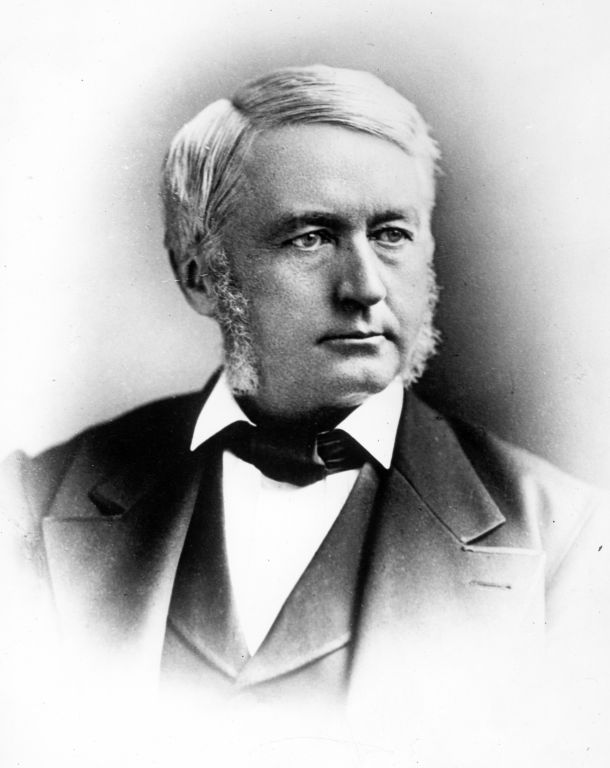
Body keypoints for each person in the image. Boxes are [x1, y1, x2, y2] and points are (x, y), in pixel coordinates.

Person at [2, 65, 609, 765]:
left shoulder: (566, 540)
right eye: (311, 238)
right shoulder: (33, 502)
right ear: (200, 276)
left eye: (391, 234)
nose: (365, 288)